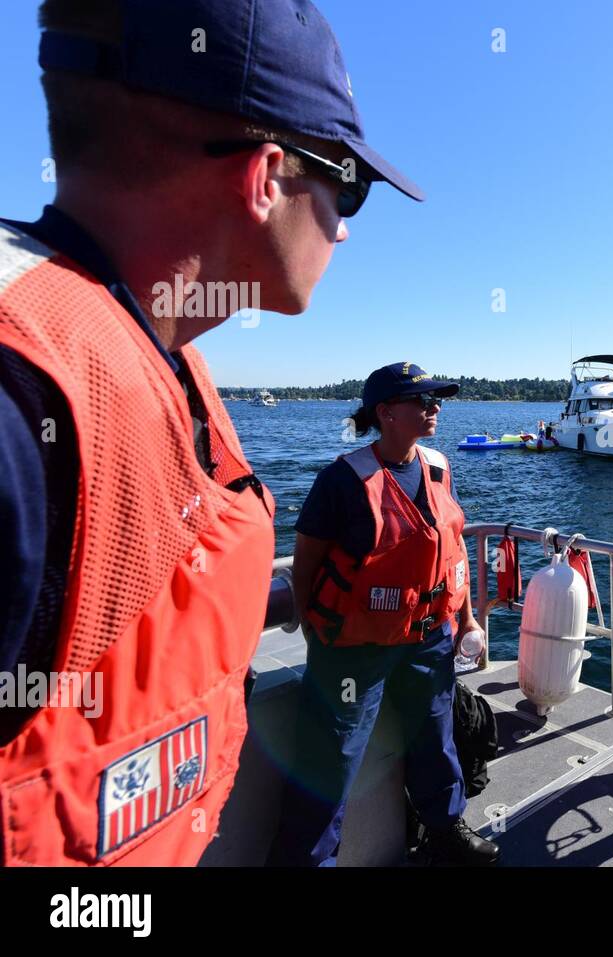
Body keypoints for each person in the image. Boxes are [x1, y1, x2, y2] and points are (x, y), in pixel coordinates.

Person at [0, 0, 423, 865]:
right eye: (347, 183)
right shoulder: (22, 402)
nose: (344, 223)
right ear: (267, 174)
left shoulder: (152, 357)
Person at [268, 363, 500, 867]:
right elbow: (307, 562)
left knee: (435, 738)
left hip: (429, 640)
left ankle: (444, 829)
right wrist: (318, 632)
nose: (434, 407)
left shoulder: (438, 466)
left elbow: (452, 548)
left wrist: (466, 620)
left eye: (436, 400)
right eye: (422, 401)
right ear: (386, 413)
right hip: (356, 649)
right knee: (331, 760)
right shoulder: (342, 480)